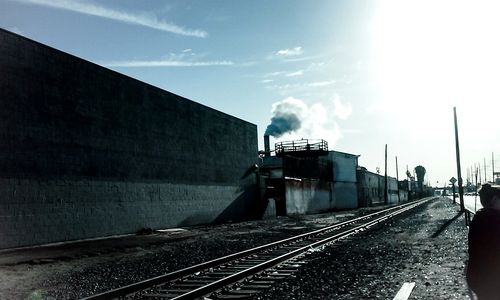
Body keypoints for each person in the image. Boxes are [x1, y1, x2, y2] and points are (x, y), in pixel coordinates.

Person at [466, 183, 500, 299]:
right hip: (493, 278)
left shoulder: (478, 217)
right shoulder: (495, 220)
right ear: (495, 199)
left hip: (477, 276)